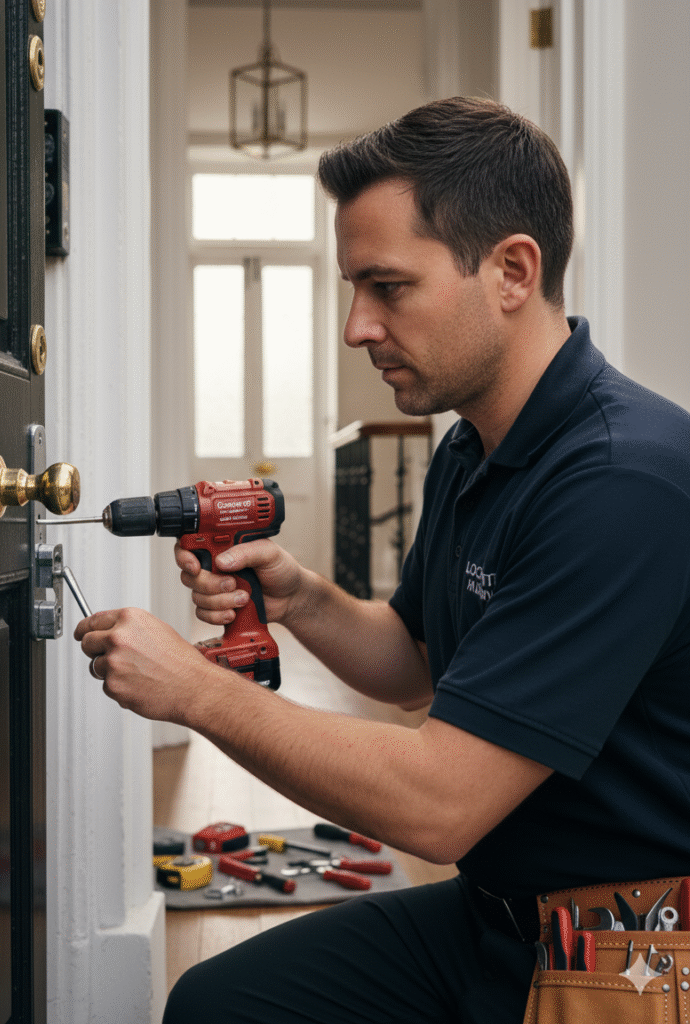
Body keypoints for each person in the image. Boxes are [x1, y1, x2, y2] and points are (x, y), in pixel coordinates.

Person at [75, 97, 690, 1022]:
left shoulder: (622, 482)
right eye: (352, 290)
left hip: (631, 949)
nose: (358, 327)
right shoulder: (475, 444)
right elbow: (413, 664)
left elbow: (438, 808)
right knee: (222, 1002)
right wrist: (303, 598)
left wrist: (197, 693)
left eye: (388, 287)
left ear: (513, 271)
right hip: (500, 915)